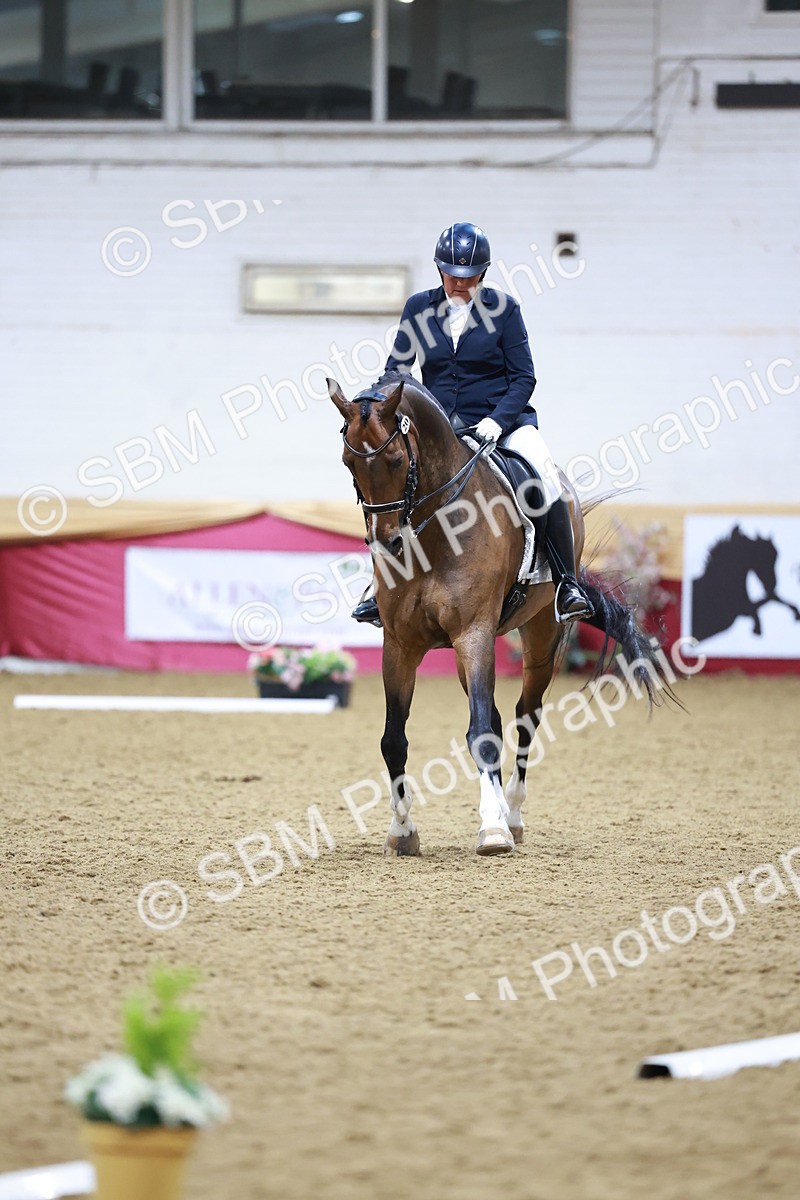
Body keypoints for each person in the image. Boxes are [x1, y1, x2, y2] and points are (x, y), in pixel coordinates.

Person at [352, 221, 594, 627]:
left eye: (469, 276)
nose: (460, 283)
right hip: (440, 430)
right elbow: (397, 370)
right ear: (439, 269)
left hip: (503, 423)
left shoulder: (505, 310)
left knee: (545, 477)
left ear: (483, 273)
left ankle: (566, 584)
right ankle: (382, 588)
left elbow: (524, 378)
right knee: (395, 483)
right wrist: (375, 400)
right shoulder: (419, 308)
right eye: (452, 274)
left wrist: (498, 421)